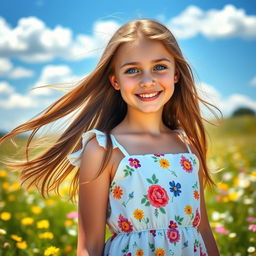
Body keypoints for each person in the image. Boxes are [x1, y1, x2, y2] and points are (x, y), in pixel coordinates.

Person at [0, 19, 222, 255]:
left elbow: (203, 231)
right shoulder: (103, 149)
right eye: (132, 70)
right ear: (115, 81)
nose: (147, 81)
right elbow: (89, 246)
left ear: (176, 74)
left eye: (159, 67)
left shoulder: (187, 147)